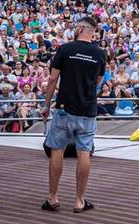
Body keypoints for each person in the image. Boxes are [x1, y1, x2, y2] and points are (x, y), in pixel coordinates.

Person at [42, 16, 107, 213]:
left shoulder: (65, 49)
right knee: (84, 152)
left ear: (79, 28)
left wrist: (46, 104)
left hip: (64, 108)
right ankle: (79, 200)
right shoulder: (99, 53)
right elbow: (98, 81)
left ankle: (53, 197)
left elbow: (53, 79)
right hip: (87, 109)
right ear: (92, 32)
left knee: (56, 149)